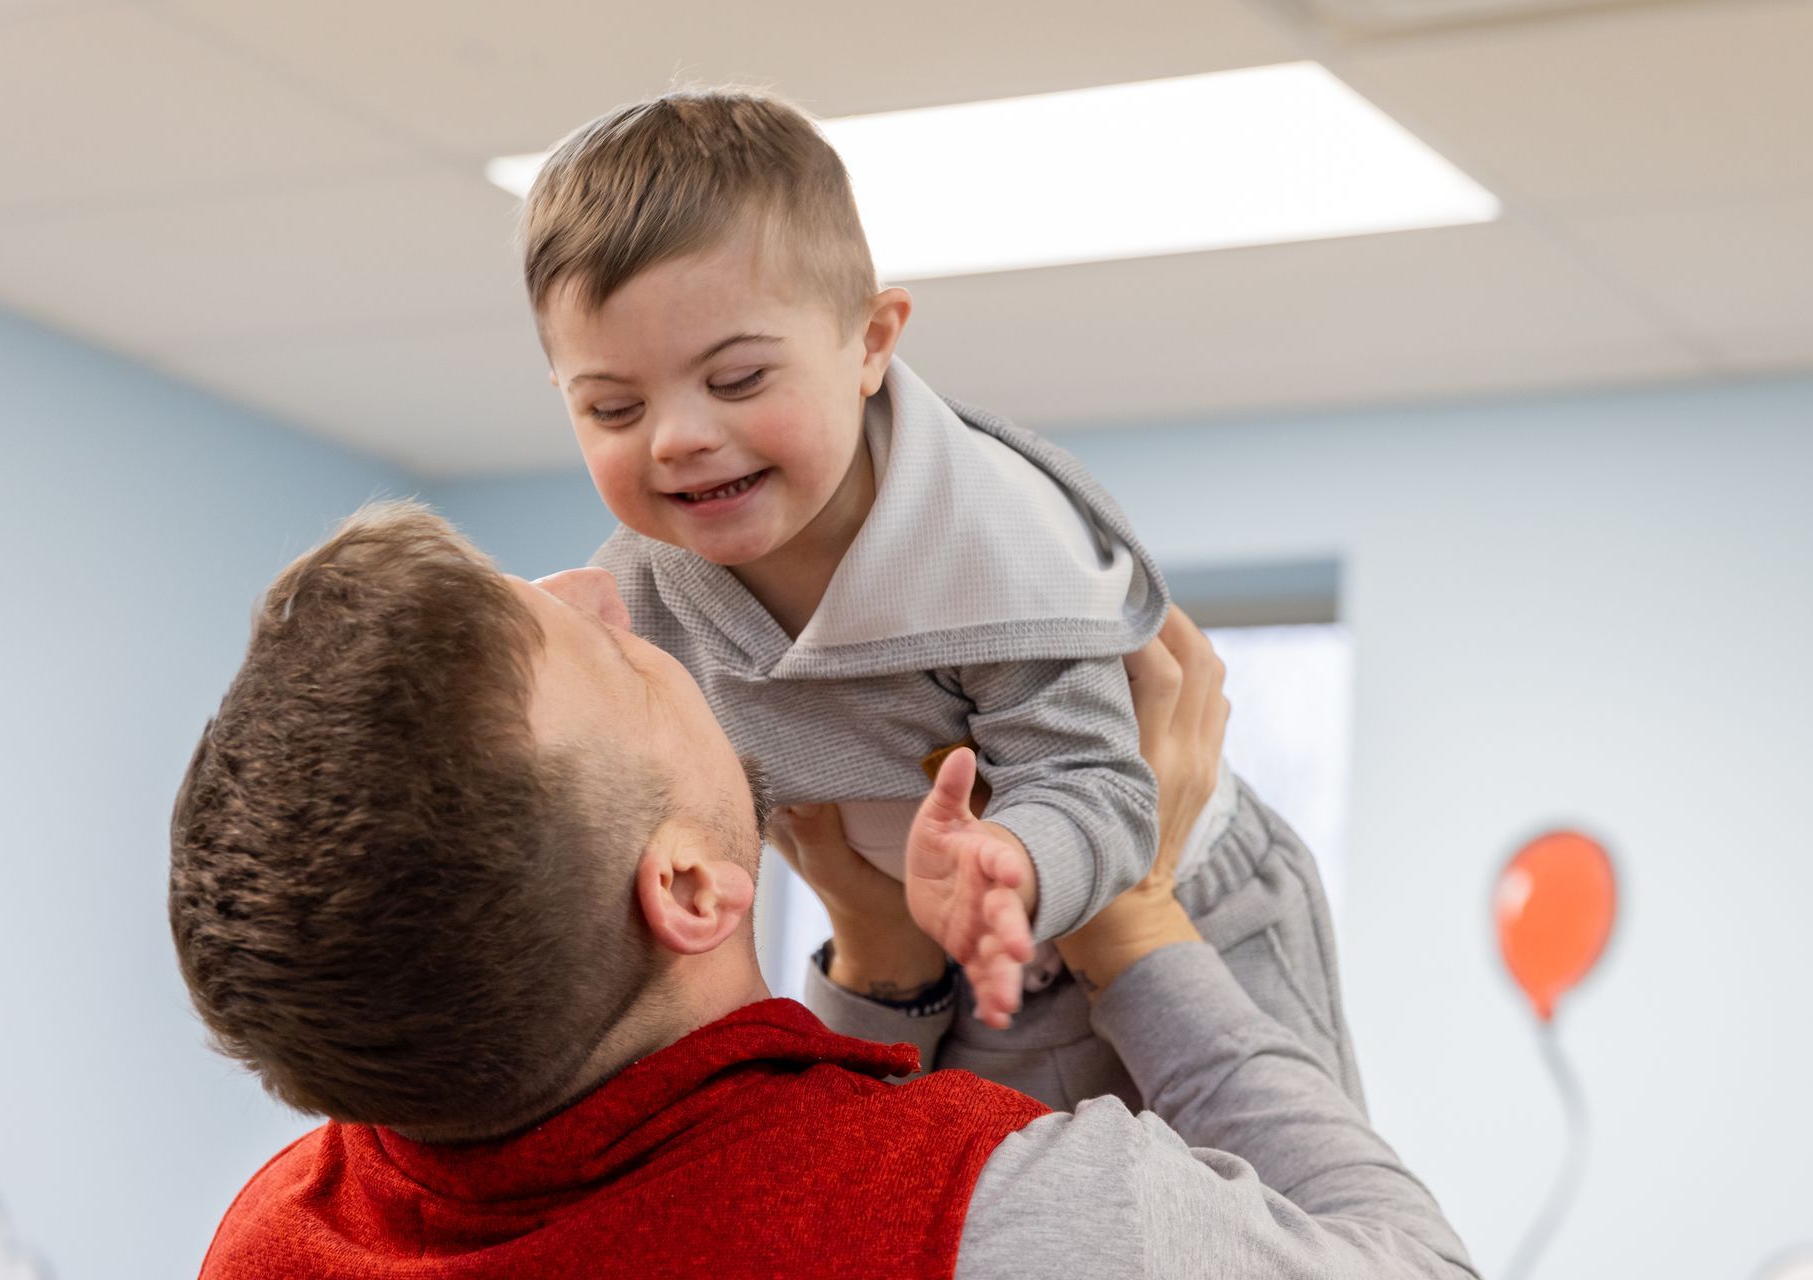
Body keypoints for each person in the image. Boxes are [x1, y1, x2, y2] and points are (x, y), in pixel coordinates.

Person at [172, 502, 1475, 1278]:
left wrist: (878, 972)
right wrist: (1133, 909)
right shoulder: (982, 1214)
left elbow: (706, 1182)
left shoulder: (281, 1234)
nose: (605, 588)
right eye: (612, 663)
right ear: (691, 886)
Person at [521, 85, 1250, 1033]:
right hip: (941, 949)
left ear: (870, 344)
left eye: (737, 379)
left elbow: (1092, 778)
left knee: (1255, 1174)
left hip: (1185, 896)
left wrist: (1018, 866)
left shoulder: (987, 545)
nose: (678, 438)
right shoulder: (640, 605)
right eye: (613, 409)